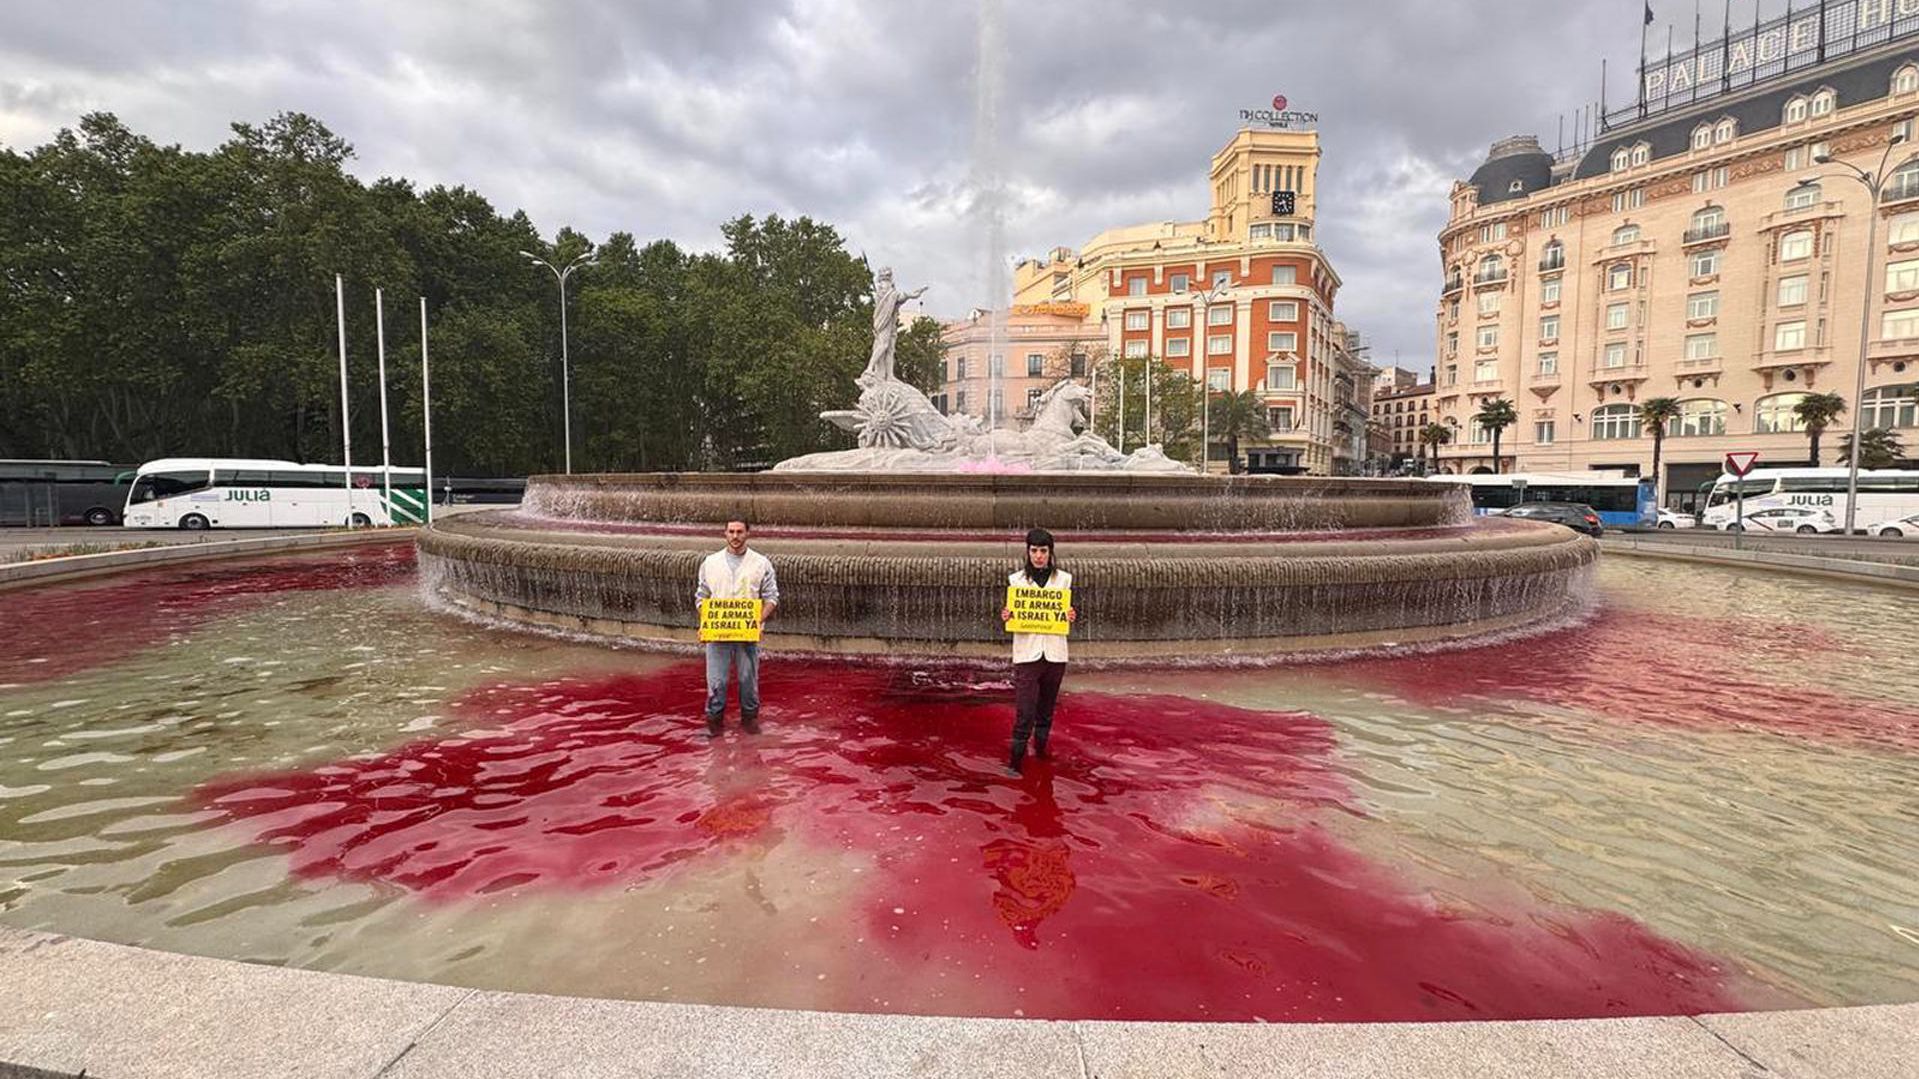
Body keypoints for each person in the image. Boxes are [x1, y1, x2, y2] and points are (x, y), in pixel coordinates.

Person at [999, 528, 1076, 775]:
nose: (1039, 556)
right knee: (1025, 713)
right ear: (1028, 552)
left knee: (1046, 710)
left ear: (1050, 553)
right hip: (1027, 655)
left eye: (1043, 551)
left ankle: (1041, 752)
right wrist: (1006, 615)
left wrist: (1071, 615)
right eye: (1034, 551)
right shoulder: (1016, 581)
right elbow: (1011, 613)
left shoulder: (1064, 580)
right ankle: (1015, 763)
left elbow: (1068, 612)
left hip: (1055, 655)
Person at [695, 519, 779, 736]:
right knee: (716, 683)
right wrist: (705, 622)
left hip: (747, 634)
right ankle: (715, 730)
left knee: (748, 684)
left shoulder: (761, 563)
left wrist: (759, 621)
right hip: (717, 634)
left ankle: (750, 727)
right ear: (725, 533)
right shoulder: (710, 562)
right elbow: (701, 596)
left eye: (739, 532)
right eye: (731, 531)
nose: (735, 536)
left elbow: (772, 597)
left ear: (747, 534)